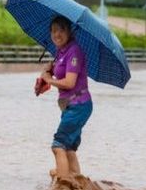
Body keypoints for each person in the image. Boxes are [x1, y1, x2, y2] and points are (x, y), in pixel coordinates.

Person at [39, 16, 93, 181]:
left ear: (69, 31)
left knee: (58, 146)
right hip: (71, 106)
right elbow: (57, 72)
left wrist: (50, 80)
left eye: (61, 29)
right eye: (54, 30)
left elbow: (69, 82)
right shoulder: (61, 52)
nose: (57, 34)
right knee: (69, 149)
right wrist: (48, 71)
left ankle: (63, 185)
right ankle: (78, 182)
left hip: (79, 105)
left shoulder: (74, 51)